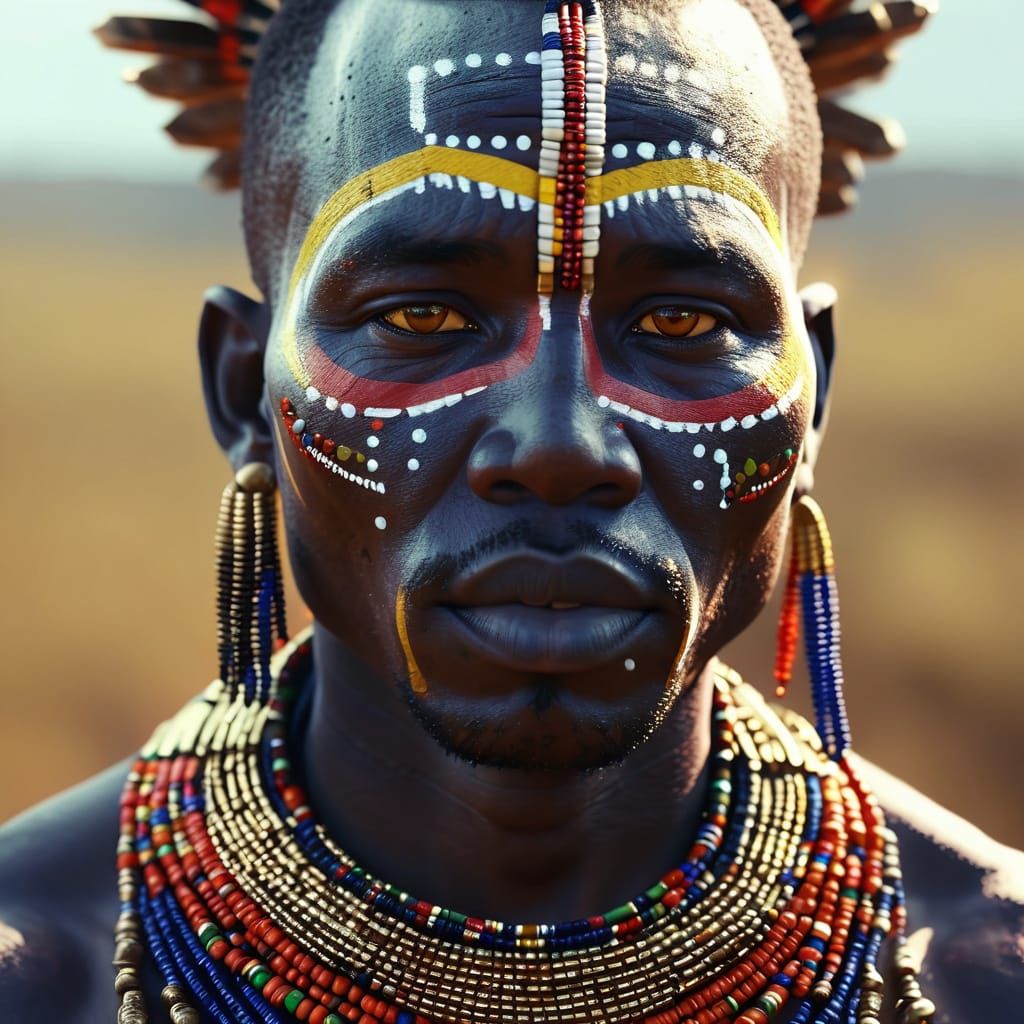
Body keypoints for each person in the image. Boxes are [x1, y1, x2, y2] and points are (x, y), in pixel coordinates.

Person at [0, 0, 1021, 1021]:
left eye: (682, 319)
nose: (559, 444)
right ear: (243, 393)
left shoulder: (986, 976)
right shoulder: (39, 977)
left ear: (815, 402)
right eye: (420, 315)